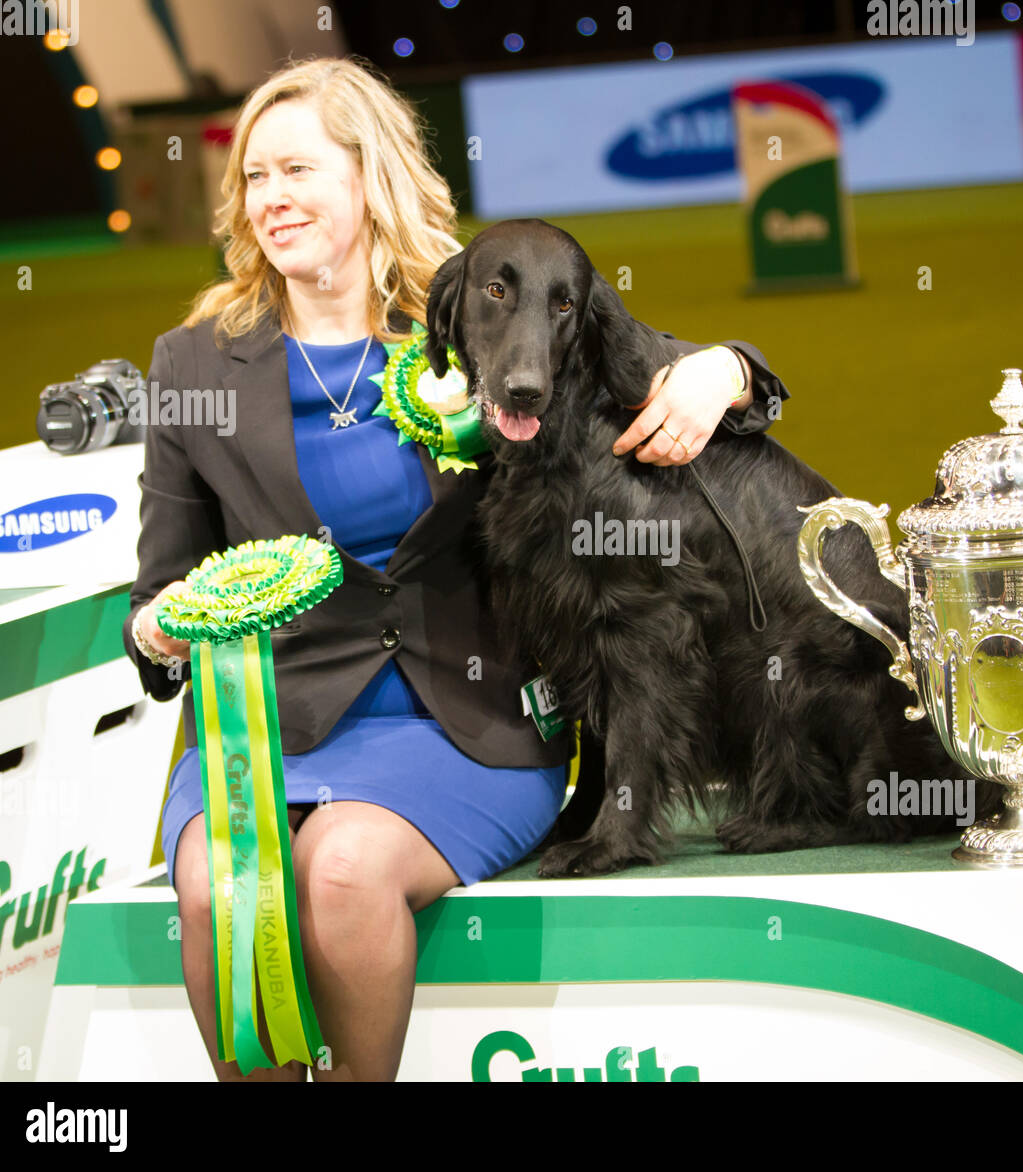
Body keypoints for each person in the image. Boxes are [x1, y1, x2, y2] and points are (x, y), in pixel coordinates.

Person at [122, 56, 789, 1082]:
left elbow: (653, 357)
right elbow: (158, 584)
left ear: (367, 174)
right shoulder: (195, 363)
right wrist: (157, 628)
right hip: (269, 731)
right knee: (221, 883)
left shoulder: (476, 305)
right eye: (254, 178)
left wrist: (726, 367)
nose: (271, 199)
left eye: (297, 170)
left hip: (463, 724)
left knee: (340, 869)